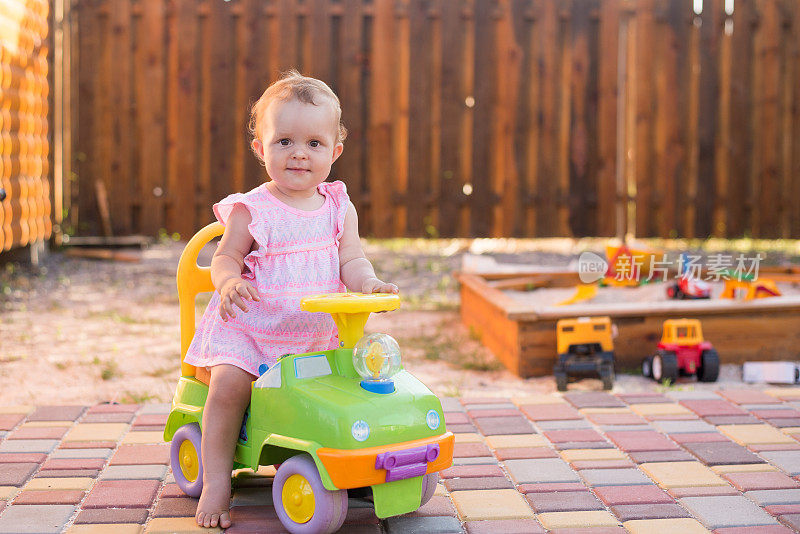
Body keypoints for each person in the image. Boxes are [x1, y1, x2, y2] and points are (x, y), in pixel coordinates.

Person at [184, 70, 398, 528]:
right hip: (252, 330)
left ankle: (345, 460)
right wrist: (227, 283)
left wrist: (370, 283)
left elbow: (352, 260)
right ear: (261, 148)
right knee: (227, 389)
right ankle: (219, 480)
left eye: (313, 144)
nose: (299, 153)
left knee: (354, 389)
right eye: (284, 141)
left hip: (316, 336)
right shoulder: (252, 208)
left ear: (334, 152)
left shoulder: (339, 206)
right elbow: (225, 257)